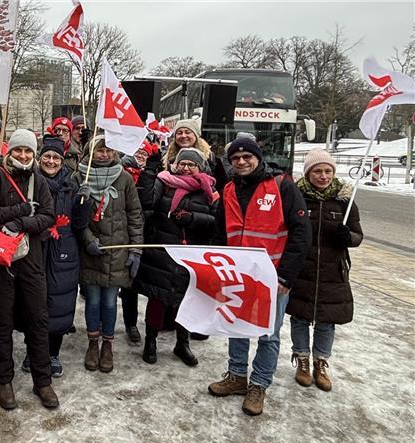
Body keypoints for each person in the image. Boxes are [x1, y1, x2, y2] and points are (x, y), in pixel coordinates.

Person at [208, 136, 311, 416]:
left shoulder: (282, 185)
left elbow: (301, 233)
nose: (241, 162)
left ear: (257, 158)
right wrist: (218, 267)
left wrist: (285, 277)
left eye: (247, 157)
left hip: (272, 277)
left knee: (268, 333)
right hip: (237, 274)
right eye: (235, 158)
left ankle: (259, 384)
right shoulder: (229, 189)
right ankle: (237, 376)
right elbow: (220, 233)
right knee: (236, 326)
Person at [0, 129, 58, 410]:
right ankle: (5, 379)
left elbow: (48, 216)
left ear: (34, 154)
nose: (23, 155)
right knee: (1, 322)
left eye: (28, 151)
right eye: (18, 150)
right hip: (0, 262)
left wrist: (21, 223)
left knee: (38, 319)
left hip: (31, 260)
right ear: (9, 151)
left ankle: (42, 380)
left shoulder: (39, 180)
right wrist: (17, 212)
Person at [134, 148, 220, 366]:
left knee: (186, 301)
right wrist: (149, 171)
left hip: (191, 256)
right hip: (163, 252)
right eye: (182, 163)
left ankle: (182, 343)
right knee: (158, 299)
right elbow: (146, 201)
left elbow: (217, 221)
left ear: (200, 167)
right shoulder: (164, 182)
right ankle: (150, 341)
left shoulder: (209, 188)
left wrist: (193, 219)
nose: (186, 168)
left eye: (192, 164)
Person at [288, 149, 363, 392]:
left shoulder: (345, 201)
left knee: (326, 320)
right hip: (303, 269)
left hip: (333, 271)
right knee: (300, 316)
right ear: (308, 174)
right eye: (317, 171)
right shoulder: (297, 198)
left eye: (327, 171)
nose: (323, 176)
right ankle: (302, 359)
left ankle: (320, 363)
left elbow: (358, 236)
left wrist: (348, 237)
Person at [75, 136, 143, 373]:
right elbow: (75, 217)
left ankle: (107, 344)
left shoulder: (124, 178)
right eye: (99, 150)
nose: (104, 154)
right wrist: (88, 239)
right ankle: (93, 343)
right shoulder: (79, 176)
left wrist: (135, 248)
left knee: (110, 302)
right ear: (90, 152)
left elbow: (134, 214)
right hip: (91, 252)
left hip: (117, 251)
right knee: (93, 301)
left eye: (108, 150)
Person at [23, 135, 88, 377]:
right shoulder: (29, 183)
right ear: (40, 159)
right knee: (33, 305)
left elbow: (79, 225)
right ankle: (33, 351)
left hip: (63, 254)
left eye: (56, 158)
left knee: (59, 306)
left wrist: (83, 205)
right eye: (47, 156)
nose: (51, 161)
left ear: (62, 161)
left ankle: (52, 353)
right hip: (36, 251)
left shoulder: (71, 187)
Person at [117, 142, 151, 345]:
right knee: (129, 282)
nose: (141, 156)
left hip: (148, 235)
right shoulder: (120, 173)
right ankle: (131, 323)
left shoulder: (153, 174)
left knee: (142, 282)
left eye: (144, 153)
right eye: (138, 152)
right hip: (124, 235)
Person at [164, 119, 227, 190]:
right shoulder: (167, 160)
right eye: (179, 133)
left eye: (187, 132)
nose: (183, 136)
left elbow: (222, 187)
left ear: (196, 135)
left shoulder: (211, 159)